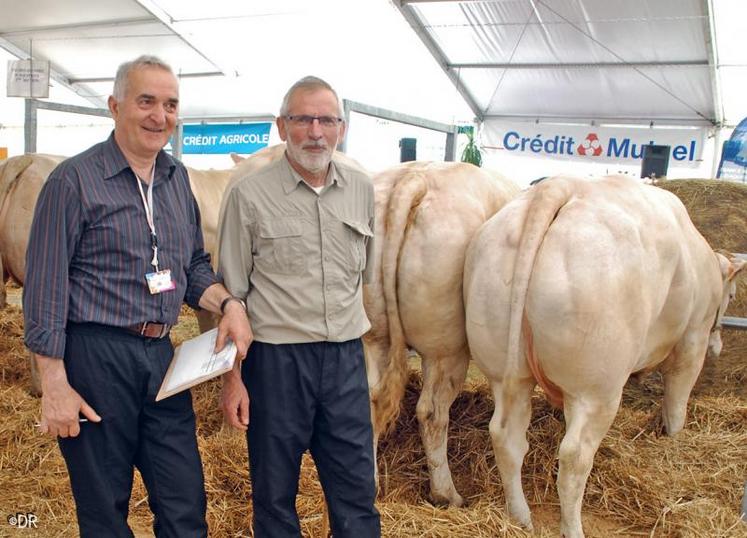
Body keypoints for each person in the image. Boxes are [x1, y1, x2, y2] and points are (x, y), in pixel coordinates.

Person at [23, 55, 252, 538]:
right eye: (146, 101)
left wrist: (228, 304)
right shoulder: (73, 181)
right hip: (95, 356)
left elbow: (191, 268)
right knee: (105, 511)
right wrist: (54, 384)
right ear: (114, 105)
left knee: (184, 504)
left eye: (170, 105)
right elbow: (43, 288)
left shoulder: (175, 182)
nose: (159, 116)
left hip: (161, 357)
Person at [218, 76, 381, 537]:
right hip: (276, 363)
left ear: (341, 128)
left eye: (326, 120)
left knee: (356, 493)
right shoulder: (248, 195)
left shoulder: (361, 189)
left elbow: (362, 278)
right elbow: (231, 300)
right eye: (302, 119)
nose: (315, 131)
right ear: (281, 126)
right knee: (274, 496)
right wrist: (234, 380)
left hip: (346, 358)